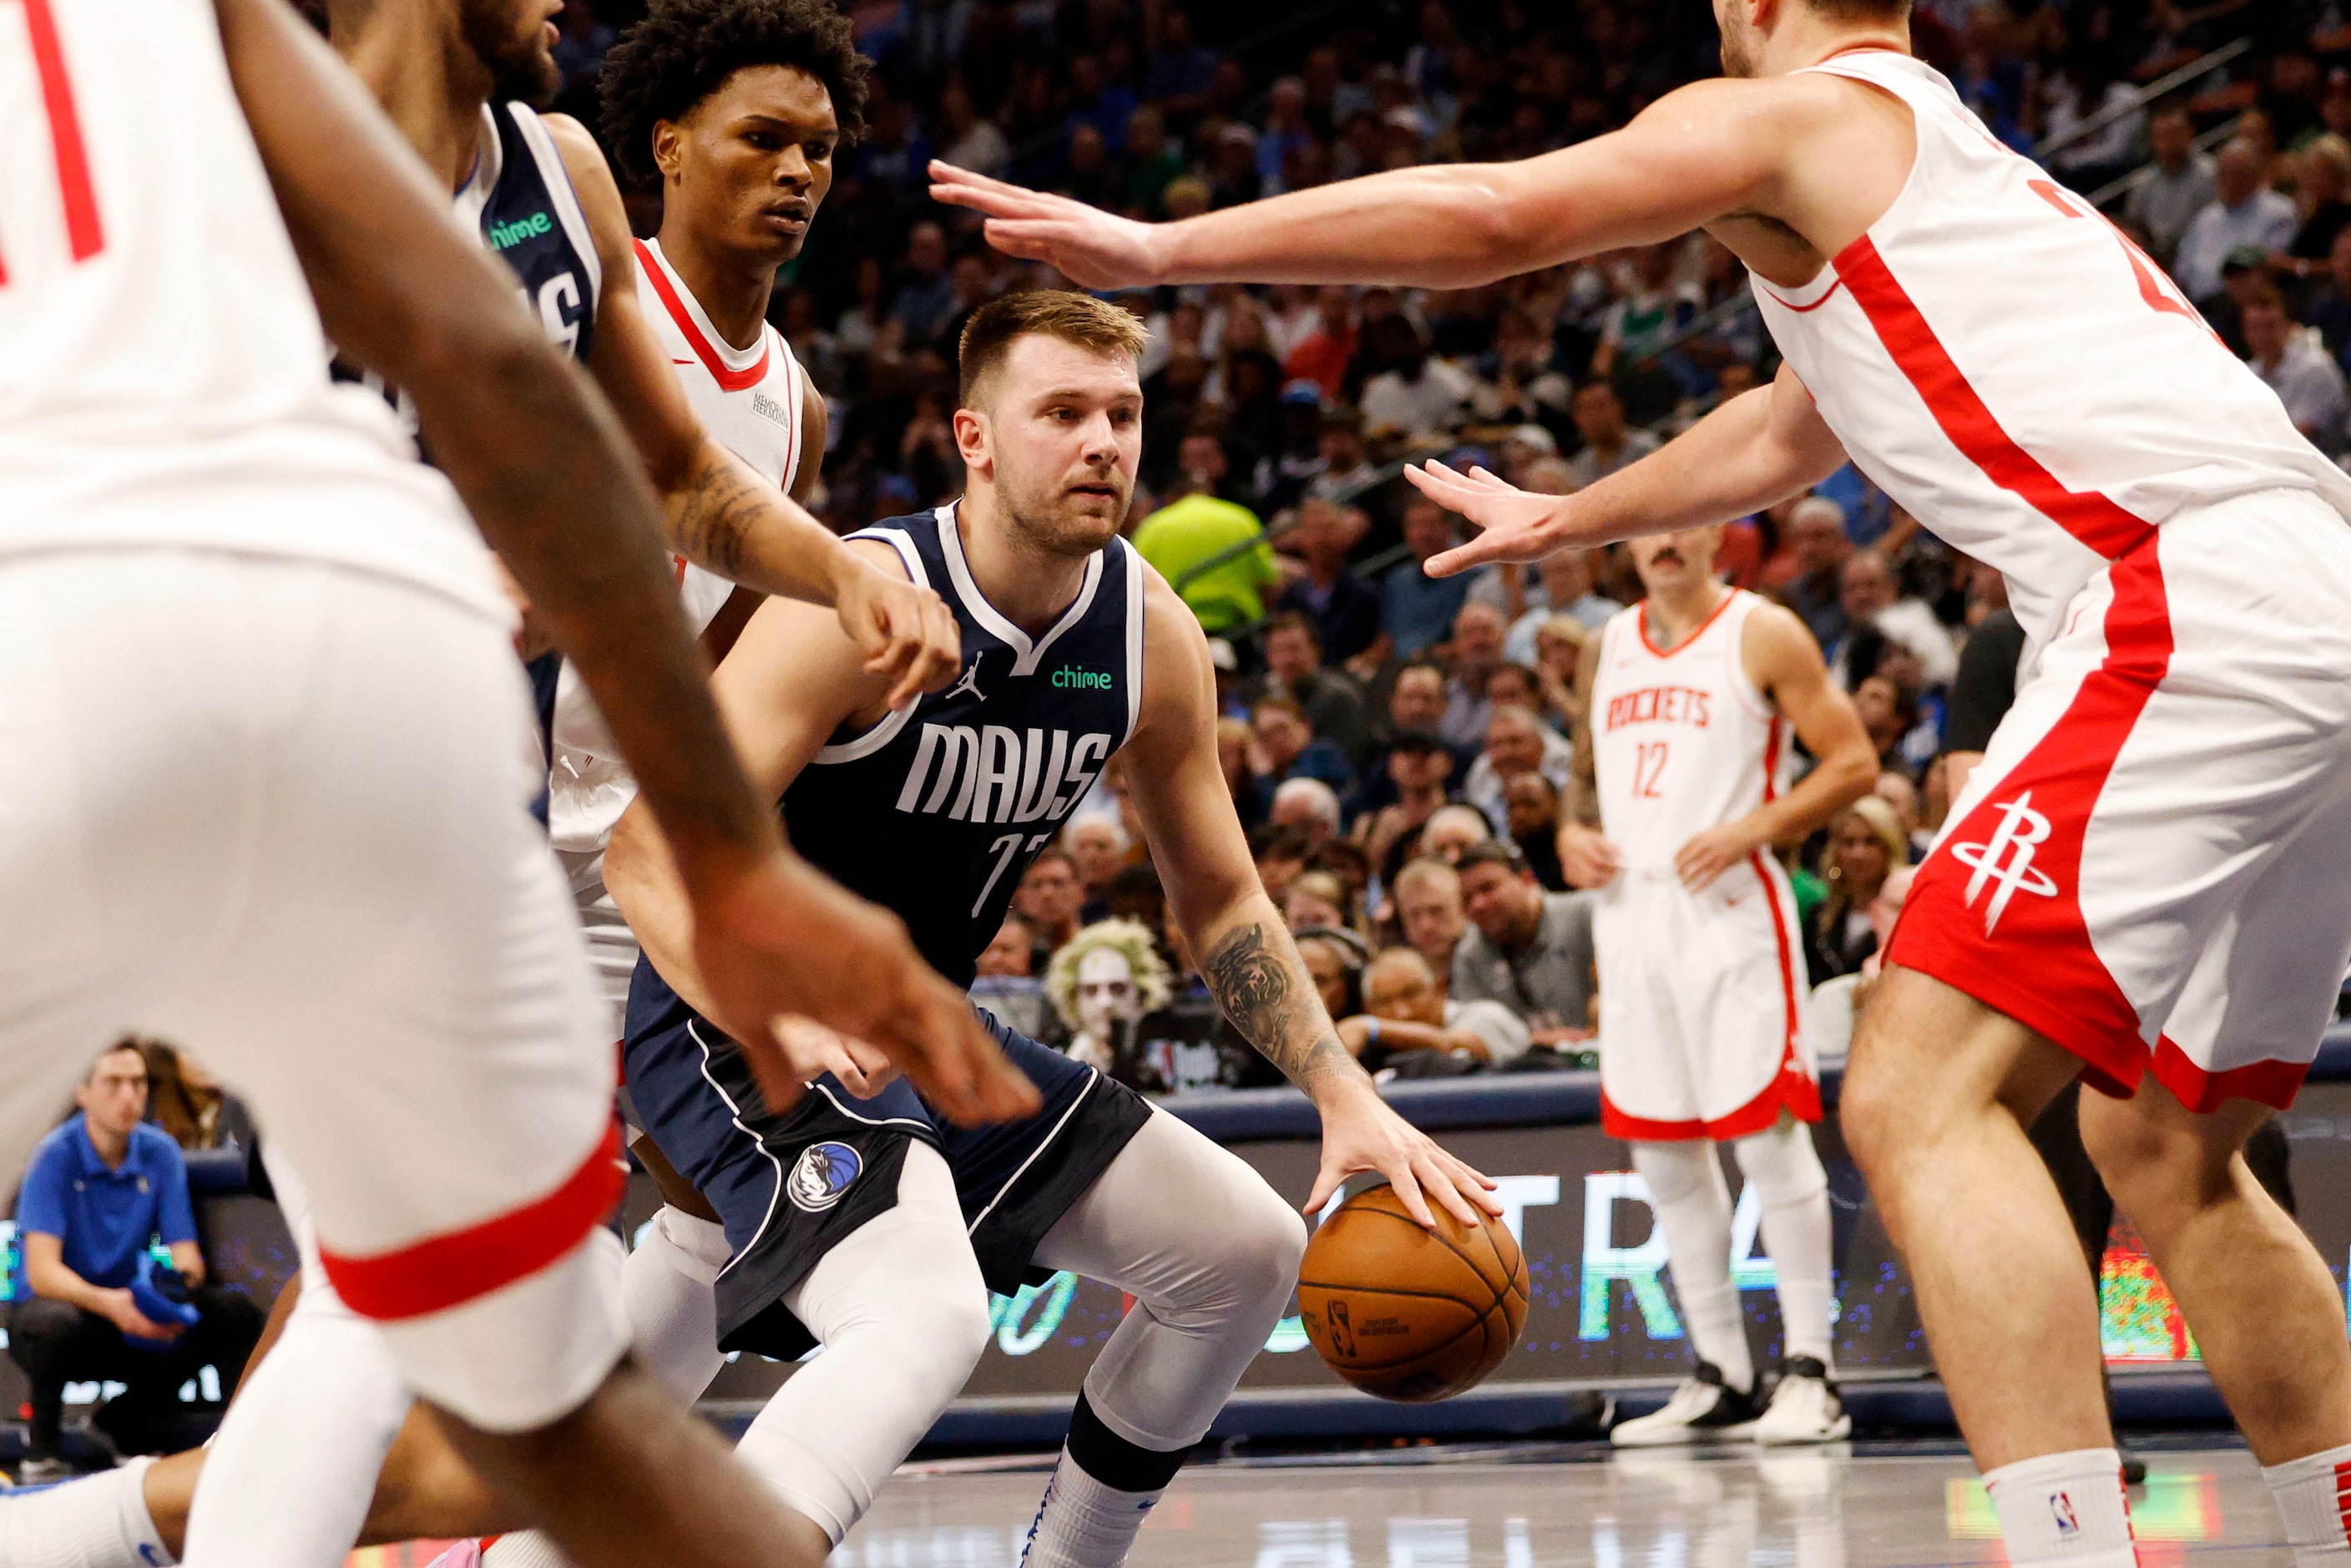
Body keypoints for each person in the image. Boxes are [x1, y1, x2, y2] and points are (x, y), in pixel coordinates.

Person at [936, 11, 2351, 1549]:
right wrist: (1570, 519)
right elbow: (1793, 422)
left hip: (2176, 591)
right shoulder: (1947, 175)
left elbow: (1498, 219)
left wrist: (1160, 252)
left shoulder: (1802, 113)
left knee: (1912, 1091)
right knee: (2165, 1146)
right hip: (2308, 585)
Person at [0, 4, 1025, 1568]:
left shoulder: (540, 166)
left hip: (171, 654)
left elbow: (653, 471)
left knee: (409, 1335)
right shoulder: (244, 75)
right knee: (511, 1395)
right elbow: (511, 388)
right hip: (379, 664)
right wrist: (731, 851)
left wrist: (827, 590)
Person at [594, 291, 1498, 1567]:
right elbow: (648, 850)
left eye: (1123, 414)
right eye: (1063, 413)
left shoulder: (1149, 634)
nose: (1102, 444)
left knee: (1243, 1254)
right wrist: (774, 1008)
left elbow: (1224, 898)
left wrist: (1340, 1089)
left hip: (918, 1027)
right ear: (975, 435)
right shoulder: (855, 597)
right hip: (741, 1014)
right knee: (921, 1307)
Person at [1558, 523, 1874, 1444]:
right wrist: (1567, 838)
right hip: (1629, 914)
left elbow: (1853, 763)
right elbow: (1583, 783)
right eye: (1646, 525)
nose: (1663, 540)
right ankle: (1720, 1374)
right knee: (1661, 1153)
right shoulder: (1603, 645)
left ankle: (1811, 1375)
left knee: (1764, 1142)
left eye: (1683, 521)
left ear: (1717, 535)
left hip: (1732, 908)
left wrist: (1752, 828)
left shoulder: (1762, 631)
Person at [8, 1046, 265, 1479]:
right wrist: (114, 1305)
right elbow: (42, 1272)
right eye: (114, 1083)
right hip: (65, 1317)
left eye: (139, 1083)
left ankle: (128, 1427)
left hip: (131, 1308)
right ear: (83, 1092)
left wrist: (171, 1292)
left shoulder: (160, 1153)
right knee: (55, 1325)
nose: (130, 1096)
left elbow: (187, 1256)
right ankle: (43, 1450)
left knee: (231, 1316)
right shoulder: (53, 1156)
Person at [1451, 841, 1600, 1049]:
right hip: (1523, 1072)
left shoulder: (1586, 915)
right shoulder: (1470, 955)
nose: (1478, 904)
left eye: (1488, 888)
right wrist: (1532, 1043)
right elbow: (1477, 1036)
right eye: (1467, 899)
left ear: (1526, 879)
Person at [1337, 948, 1531, 1071]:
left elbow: (1453, 1045)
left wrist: (1369, 1027)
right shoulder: (1374, 1052)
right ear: (1368, 1008)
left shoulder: (1485, 1015)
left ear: (1439, 989)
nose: (1401, 1012)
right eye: (1385, 1002)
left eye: (1411, 994)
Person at [2174, 137, 2301, 303]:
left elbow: (2271, 266)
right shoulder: (2206, 217)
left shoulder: (2279, 212)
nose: (2230, 181)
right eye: (2224, 173)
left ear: (2257, 174)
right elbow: (2182, 270)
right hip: (2198, 305)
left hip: (2247, 305)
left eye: (2238, 173)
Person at [1249, 610, 1375, 765]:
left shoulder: (1339, 698)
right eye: (1279, 650)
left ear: (1316, 651)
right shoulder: (1266, 696)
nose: (1287, 659)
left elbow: (1347, 763)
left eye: (1294, 649)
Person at [1271, 496, 1383, 666]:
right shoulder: (1290, 597)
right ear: (1301, 537)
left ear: (1344, 534)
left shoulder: (1365, 594)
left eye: (1328, 529)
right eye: (1314, 530)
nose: (1321, 539)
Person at [1806, 797, 1909, 980]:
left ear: (1889, 847)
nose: (1858, 854)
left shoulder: (1906, 917)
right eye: (1849, 842)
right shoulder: (1819, 918)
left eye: (1870, 842)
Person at [2125, 103, 2216, 269]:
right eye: (2161, 136)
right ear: (2152, 140)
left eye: (2174, 134)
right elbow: (2134, 228)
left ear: (2190, 131)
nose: (2168, 142)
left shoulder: (2210, 173)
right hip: (2155, 258)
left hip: (2199, 253)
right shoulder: (2142, 182)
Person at [1389, 857, 1471, 984]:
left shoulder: (1493, 956)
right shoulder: (1396, 979)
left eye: (1436, 911)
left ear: (1463, 908)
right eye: (1414, 915)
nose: (1425, 926)